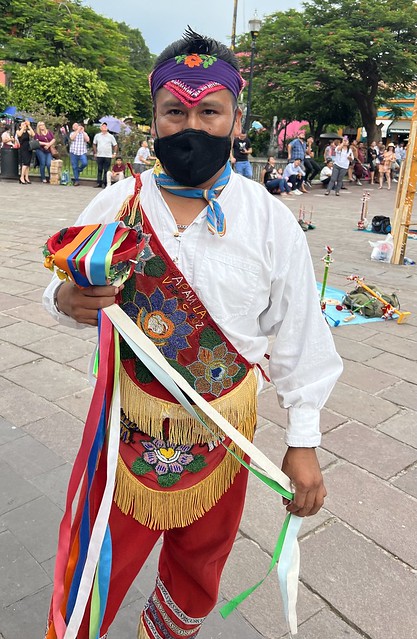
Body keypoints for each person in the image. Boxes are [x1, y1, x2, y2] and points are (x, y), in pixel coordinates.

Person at [43, 28, 342, 639]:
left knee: (199, 566)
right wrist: (68, 299)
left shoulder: (270, 220)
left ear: (237, 120)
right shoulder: (118, 203)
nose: (191, 126)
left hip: (225, 437)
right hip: (127, 431)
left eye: (210, 111)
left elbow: (300, 337)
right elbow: (62, 287)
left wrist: (304, 441)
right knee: (94, 568)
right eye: (175, 111)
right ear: (153, 117)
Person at [93, 122, 118, 188]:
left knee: (106, 170)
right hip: (100, 155)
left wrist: (114, 153)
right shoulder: (97, 136)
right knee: (99, 169)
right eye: (103, 126)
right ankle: (98, 182)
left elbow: (115, 145)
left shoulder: (111, 136)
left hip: (107, 155)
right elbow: (94, 144)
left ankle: (104, 182)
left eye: (105, 126)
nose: (104, 128)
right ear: (100, 128)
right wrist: (95, 152)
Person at [16, 119, 35, 184]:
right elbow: (19, 135)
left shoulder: (28, 132)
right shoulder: (18, 131)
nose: (24, 125)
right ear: (20, 126)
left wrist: (29, 126)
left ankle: (26, 177)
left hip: (28, 148)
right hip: (23, 148)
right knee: (25, 162)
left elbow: (33, 134)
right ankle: (21, 177)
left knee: (28, 163)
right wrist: (23, 128)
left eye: (25, 124)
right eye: (22, 124)